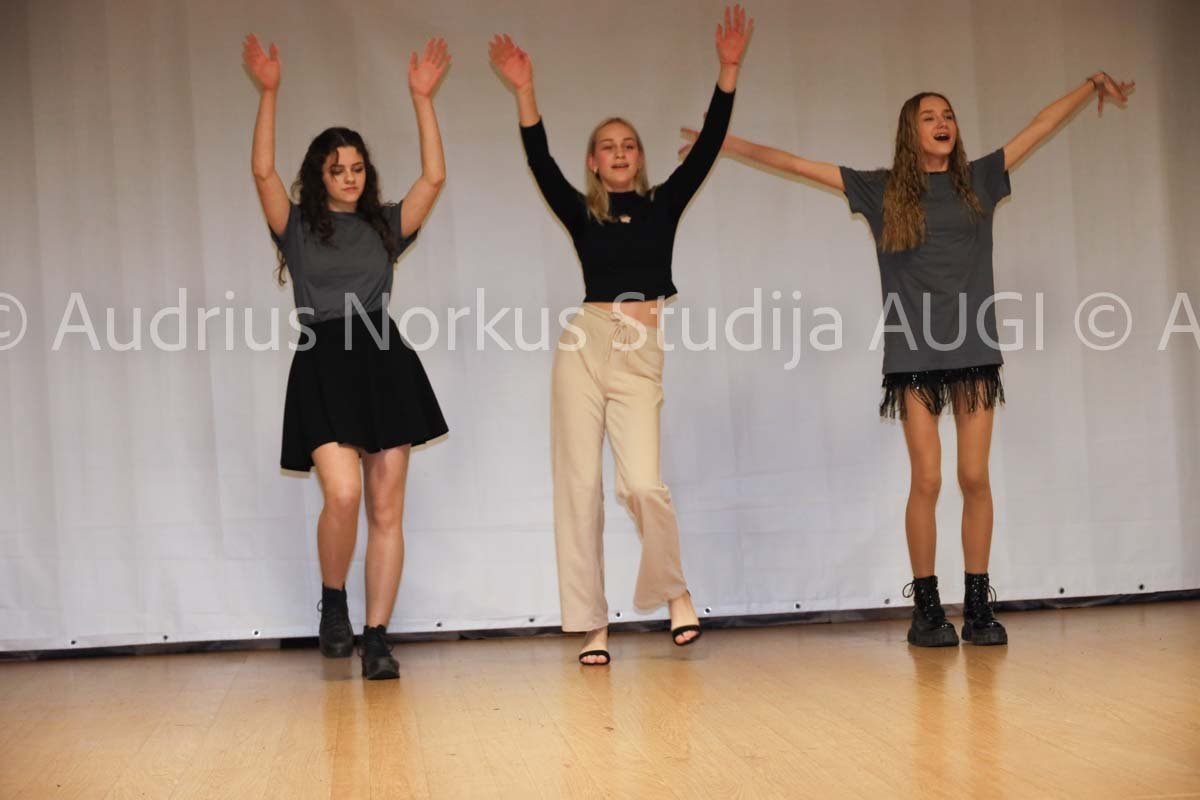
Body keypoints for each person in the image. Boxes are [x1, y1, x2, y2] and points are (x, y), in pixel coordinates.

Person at [685, 72, 1133, 647]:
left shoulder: (979, 181)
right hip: (913, 353)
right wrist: (722, 142)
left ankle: (978, 607)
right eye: (929, 116)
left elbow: (1039, 126)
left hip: (974, 350)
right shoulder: (882, 191)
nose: (943, 123)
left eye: (948, 115)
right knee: (927, 477)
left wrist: (1090, 85)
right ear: (910, 131)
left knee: (975, 477)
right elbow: (797, 164)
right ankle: (926, 610)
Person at [488, 5, 753, 666]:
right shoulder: (582, 213)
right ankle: (592, 624)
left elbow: (710, 145)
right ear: (594, 161)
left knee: (642, 486)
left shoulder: (663, 204)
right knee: (579, 487)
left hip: (639, 352)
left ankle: (675, 591)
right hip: (584, 343)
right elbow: (539, 160)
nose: (619, 153)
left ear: (639, 158)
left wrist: (727, 69)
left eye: (628, 145)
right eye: (607, 146)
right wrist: (524, 90)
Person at [243, 33, 452, 678]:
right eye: (337, 169)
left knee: (386, 509)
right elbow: (262, 173)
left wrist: (422, 99)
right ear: (320, 175)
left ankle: (377, 637)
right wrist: (269, 91)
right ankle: (333, 601)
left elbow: (434, 178)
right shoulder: (297, 228)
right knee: (342, 493)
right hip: (323, 362)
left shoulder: (385, 226)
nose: (350, 177)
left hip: (383, 360)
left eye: (357, 167)